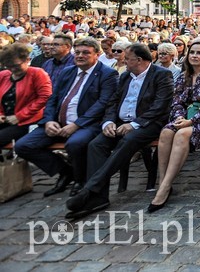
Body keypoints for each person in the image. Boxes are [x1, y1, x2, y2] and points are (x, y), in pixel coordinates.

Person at [66, 43, 174, 219]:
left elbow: (160, 106)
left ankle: (89, 189)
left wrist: (134, 124)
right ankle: (99, 197)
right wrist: (108, 121)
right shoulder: (125, 76)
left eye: (127, 58)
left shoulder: (161, 75)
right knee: (96, 144)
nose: (123, 60)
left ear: (139, 60)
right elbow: (113, 102)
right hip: (120, 122)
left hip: (148, 124)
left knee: (127, 142)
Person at [15, 38, 117, 198]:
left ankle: (80, 180)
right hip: (58, 123)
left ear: (97, 54)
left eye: (86, 53)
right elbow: (53, 99)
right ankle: (65, 171)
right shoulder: (68, 72)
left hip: (87, 124)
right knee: (23, 145)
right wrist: (49, 120)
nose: (80, 56)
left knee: (74, 144)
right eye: (77, 52)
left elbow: (103, 103)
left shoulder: (107, 74)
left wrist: (77, 124)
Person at [149, 40, 200, 212]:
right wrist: (180, 117)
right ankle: (163, 181)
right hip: (183, 118)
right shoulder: (183, 76)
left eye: (199, 53)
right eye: (192, 53)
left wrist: (191, 121)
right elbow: (177, 102)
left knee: (181, 135)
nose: (195, 56)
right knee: (166, 132)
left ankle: (165, 187)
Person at [0, 43, 52, 148]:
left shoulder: (37, 73)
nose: (13, 69)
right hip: (5, 118)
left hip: (28, 120)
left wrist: (19, 116)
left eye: (16, 65)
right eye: (9, 66)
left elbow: (45, 98)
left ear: (27, 60)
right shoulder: (3, 75)